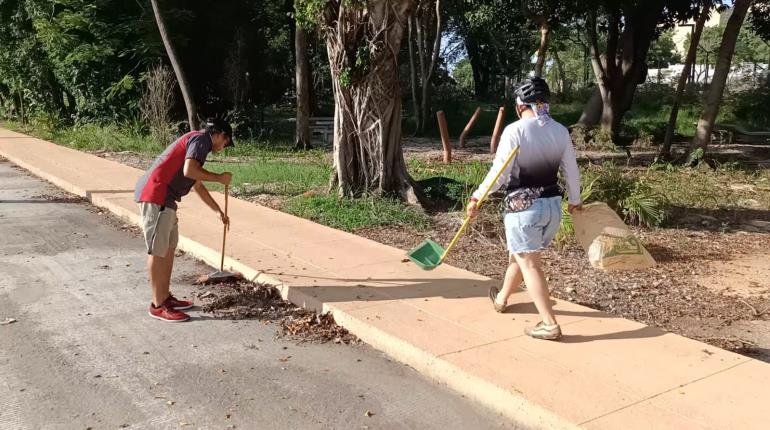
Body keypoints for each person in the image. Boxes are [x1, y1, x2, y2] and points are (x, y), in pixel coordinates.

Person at [467, 78, 581, 340]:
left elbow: (500, 172)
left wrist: (477, 197)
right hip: (552, 208)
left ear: (519, 105)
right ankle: (502, 299)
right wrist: (575, 200)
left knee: (530, 264)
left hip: (523, 209)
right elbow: (571, 171)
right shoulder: (561, 131)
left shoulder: (515, 131)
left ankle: (549, 323)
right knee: (519, 256)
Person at [134, 118, 234, 322]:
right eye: (226, 142)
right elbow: (190, 171)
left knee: (168, 249)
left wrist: (217, 211)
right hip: (156, 195)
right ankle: (157, 305)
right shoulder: (201, 140)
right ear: (219, 134)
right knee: (158, 250)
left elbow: (196, 184)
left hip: (166, 200)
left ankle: (165, 297)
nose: (224, 147)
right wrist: (219, 177)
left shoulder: (198, 146)